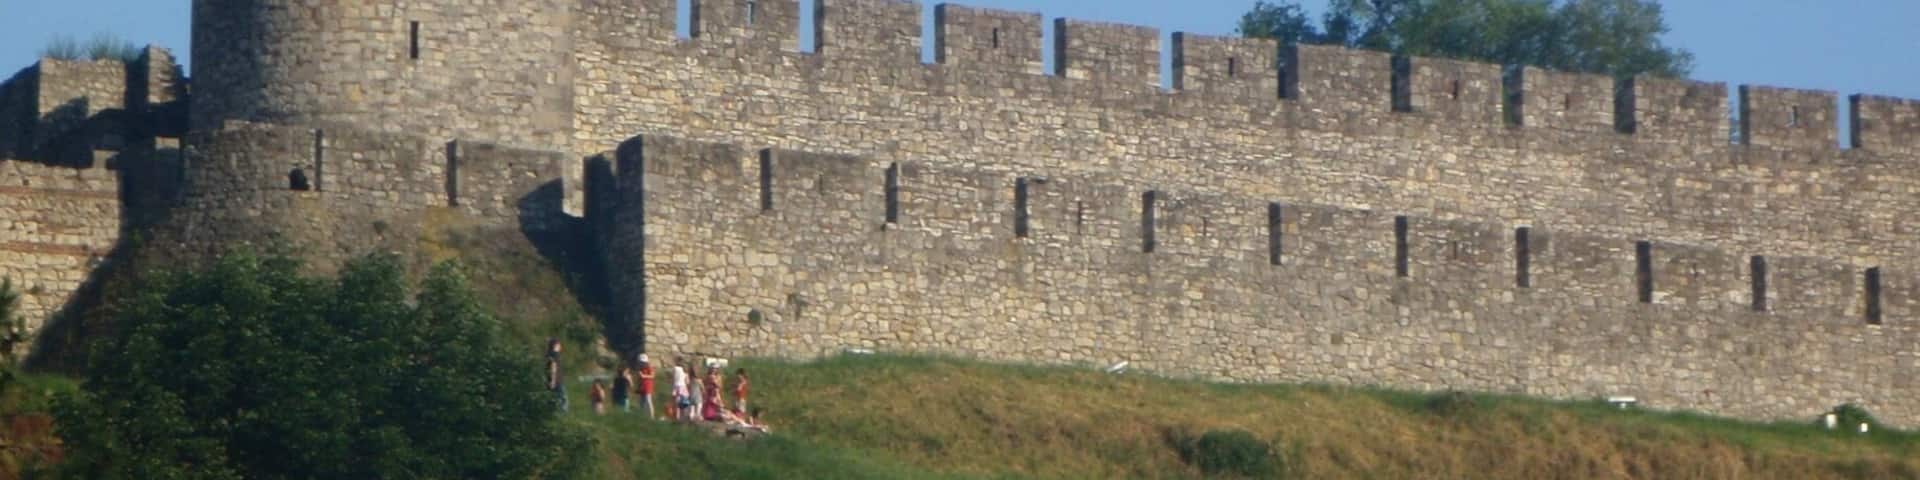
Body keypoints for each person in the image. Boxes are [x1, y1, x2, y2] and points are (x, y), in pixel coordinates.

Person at [546, 338, 566, 412]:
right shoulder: (555, 355)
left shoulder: (549, 354)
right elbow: (553, 367)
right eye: (559, 344)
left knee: (551, 398)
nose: (561, 346)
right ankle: (562, 415)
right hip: (557, 381)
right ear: (556, 345)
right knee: (563, 399)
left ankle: (551, 413)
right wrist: (553, 380)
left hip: (551, 380)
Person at [637, 354, 657, 419]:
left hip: (648, 386)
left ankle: (652, 417)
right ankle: (641, 416)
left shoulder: (649, 367)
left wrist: (644, 376)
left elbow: (653, 376)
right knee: (641, 402)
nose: (642, 363)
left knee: (648, 401)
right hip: (642, 386)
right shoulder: (640, 368)